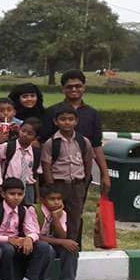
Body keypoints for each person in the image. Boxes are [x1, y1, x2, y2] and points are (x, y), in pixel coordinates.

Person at [40, 70, 111, 213]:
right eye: (69, 86)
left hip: (80, 176)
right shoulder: (52, 112)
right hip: (56, 177)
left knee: (76, 214)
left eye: (78, 86)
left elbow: (96, 146)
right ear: (63, 89)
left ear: (84, 88)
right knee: (54, 214)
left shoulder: (92, 114)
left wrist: (105, 174)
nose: (74, 89)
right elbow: (43, 144)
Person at [0, 178, 52, 280]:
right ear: (3, 194)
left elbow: (33, 230)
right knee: (7, 249)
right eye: (12, 194)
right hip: (1, 242)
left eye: (20, 194)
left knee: (43, 246)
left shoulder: (24, 210)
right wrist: (8, 240)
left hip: (19, 242)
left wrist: (29, 238)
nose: (16, 197)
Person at [40, 103, 94, 245]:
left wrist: (84, 181)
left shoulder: (83, 141)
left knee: (75, 217)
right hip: (58, 185)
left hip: (77, 185)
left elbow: (88, 161)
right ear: (55, 121)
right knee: (55, 215)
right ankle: (57, 246)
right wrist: (51, 186)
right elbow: (46, 165)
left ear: (76, 121)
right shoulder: (51, 143)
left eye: (70, 119)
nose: (67, 122)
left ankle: (72, 246)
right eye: (63, 119)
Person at [37, 186, 79, 280]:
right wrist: (62, 242)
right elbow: (36, 236)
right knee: (47, 248)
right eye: (52, 199)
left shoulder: (61, 213)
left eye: (59, 199)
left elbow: (63, 236)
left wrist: (55, 218)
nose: (56, 202)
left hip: (52, 242)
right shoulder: (35, 211)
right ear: (42, 200)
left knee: (71, 248)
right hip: (36, 245)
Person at [0, 118, 42, 206]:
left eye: (30, 134)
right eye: (23, 131)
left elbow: (35, 175)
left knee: (27, 210)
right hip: (9, 186)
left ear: (36, 137)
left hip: (28, 188)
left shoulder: (36, 153)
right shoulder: (6, 147)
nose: (25, 135)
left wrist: (37, 196)